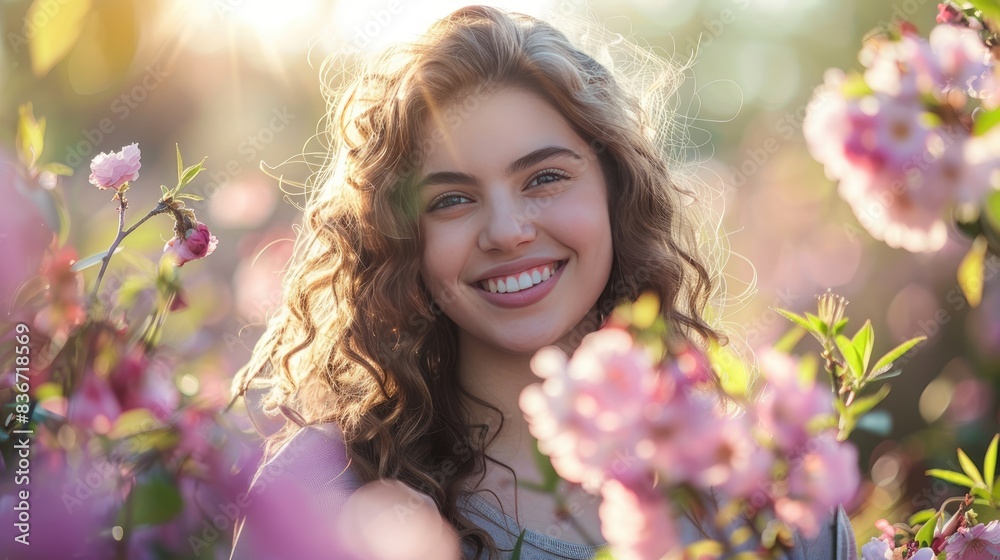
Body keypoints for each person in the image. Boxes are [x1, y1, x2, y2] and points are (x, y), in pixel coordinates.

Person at [227, 5, 858, 559]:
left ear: (616, 189)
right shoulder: (322, 490)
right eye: (451, 200)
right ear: (400, 240)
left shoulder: (768, 490)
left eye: (544, 178)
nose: (506, 231)